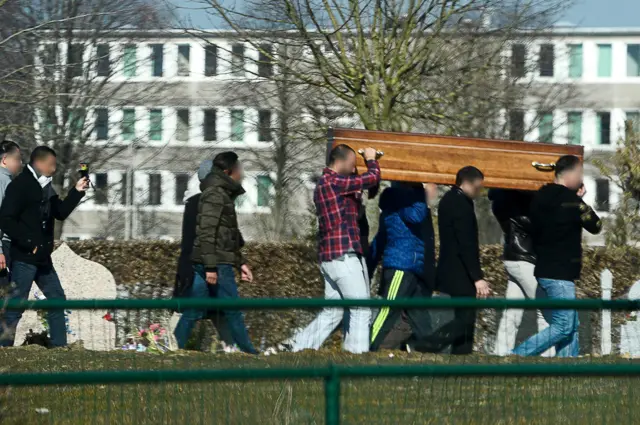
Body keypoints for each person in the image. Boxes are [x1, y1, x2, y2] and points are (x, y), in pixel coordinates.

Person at [291, 144, 380, 354]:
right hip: (344, 256)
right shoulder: (335, 181)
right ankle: (356, 358)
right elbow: (372, 178)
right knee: (360, 309)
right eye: (352, 163)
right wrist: (371, 159)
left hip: (329, 258)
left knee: (334, 312)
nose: (353, 168)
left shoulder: (325, 183)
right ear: (340, 161)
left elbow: (354, 210)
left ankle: (298, 346)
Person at [513, 155, 601, 357]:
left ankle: (568, 367)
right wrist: (580, 200)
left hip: (543, 268)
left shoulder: (538, 198)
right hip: (561, 272)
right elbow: (595, 226)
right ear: (570, 174)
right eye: (579, 174)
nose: (581, 179)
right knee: (563, 325)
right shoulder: (571, 202)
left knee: (571, 324)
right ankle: (517, 355)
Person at [0, 146, 88, 347]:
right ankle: (3, 349)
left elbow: (60, 212)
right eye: (52, 165)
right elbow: (5, 219)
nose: (54, 169)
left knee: (57, 299)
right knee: (16, 306)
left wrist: (77, 191)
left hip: (42, 258)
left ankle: (59, 347)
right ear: (39, 163)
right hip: (25, 257)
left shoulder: (46, 186)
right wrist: (28, 243)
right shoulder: (20, 185)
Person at [173, 152, 258, 354]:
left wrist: (241, 263)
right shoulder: (215, 195)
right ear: (229, 171)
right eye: (239, 169)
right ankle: (250, 354)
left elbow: (227, 235)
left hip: (214, 260)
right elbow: (207, 233)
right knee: (232, 310)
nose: (242, 174)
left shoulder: (221, 194)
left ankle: (173, 347)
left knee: (193, 310)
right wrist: (211, 267)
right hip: (216, 263)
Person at [367, 182, 436, 351]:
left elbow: (380, 240)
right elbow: (418, 215)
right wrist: (420, 190)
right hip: (402, 266)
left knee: (419, 316)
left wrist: (369, 266)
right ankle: (368, 349)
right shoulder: (404, 204)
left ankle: (431, 354)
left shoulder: (392, 209)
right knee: (388, 311)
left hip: (410, 268)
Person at [172, 159, 233, 347]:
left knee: (215, 311)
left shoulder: (196, 201)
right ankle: (171, 345)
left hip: (198, 266)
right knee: (198, 311)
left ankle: (236, 348)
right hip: (203, 267)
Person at [489, 189, 552, 356]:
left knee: (512, 312)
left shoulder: (503, 201)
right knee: (545, 308)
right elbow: (534, 225)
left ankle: (500, 353)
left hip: (515, 257)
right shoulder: (516, 203)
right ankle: (546, 354)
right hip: (525, 258)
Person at [435, 166, 489, 354]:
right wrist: (477, 277)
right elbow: (466, 243)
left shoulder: (450, 200)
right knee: (465, 319)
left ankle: (461, 356)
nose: (479, 191)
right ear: (467, 183)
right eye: (477, 187)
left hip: (451, 268)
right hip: (459, 272)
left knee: (463, 318)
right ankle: (429, 343)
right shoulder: (460, 205)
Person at [0, 141, 23, 288]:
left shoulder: (7, 180)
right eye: (17, 159)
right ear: (4, 159)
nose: (20, 163)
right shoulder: (2, 181)